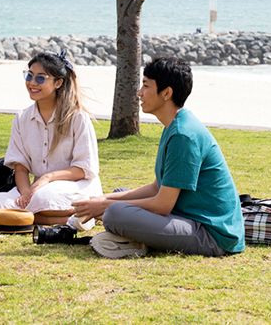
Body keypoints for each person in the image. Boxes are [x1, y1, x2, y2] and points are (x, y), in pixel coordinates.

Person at [73, 57, 245, 258]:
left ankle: (136, 242)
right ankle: (134, 237)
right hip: (186, 218)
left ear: (166, 93)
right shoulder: (175, 125)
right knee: (119, 195)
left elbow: (163, 205)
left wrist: (105, 206)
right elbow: (157, 187)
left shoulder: (183, 134)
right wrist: (105, 198)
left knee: (115, 213)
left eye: (145, 86)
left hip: (212, 236)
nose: (139, 93)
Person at [0, 51, 102, 227]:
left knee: (44, 197)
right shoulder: (22, 118)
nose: (31, 83)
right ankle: (72, 218)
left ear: (58, 82)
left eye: (40, 78)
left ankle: (25, 218)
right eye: (29, 76)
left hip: (76, 185)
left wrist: (48, 178)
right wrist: (24, 193)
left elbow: (85, 169)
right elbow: (20, 167)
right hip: (37, 190)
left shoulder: (77, 117)